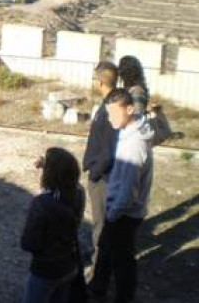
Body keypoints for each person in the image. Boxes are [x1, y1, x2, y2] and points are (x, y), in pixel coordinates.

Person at [88, 88, 154, 303]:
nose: (111, 119)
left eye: (115, 113)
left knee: (123, 262)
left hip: (124, 213)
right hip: (122, 211)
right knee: (107, 251)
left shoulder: (133, 146)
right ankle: (98, 289)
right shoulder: (131, 132)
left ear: (130, 109)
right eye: (108, 114)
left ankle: (122, 298)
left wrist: (113, 214)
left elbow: (127, 191)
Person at [22, 147, 84, 303]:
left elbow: (28, 243)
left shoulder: (42, 203)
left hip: (45, 269)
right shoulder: (79, 192)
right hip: (70, 263)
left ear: (49, 173)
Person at [82, 62, 119, 276]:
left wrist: (95, 172)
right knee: (99, 220)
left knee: (101, 221)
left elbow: (110, 146)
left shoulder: (111, 108)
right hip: (101, 171)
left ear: (101, 81)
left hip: (103, 175)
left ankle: (98, 267)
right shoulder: (111, 102)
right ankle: (98, 253)